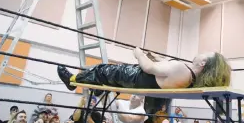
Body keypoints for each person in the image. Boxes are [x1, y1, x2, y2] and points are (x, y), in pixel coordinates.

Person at [57, 48, 231, 92]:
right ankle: (87, 84)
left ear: (202, 63)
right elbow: (163, 68)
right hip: (138, 79)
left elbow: (148, 68)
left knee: (102, 70)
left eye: (204, 54)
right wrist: (155, 57)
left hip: (136, 77)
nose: (200, 53)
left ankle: (72, 80)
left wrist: (139, 54)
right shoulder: (188, 76)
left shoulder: (182, 70)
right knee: (105, 73)